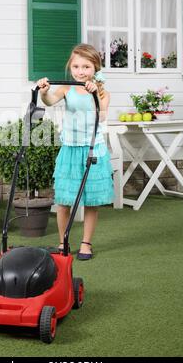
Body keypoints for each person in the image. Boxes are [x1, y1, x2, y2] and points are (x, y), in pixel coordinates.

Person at [37, 43, 114, 260]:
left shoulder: (102, 93)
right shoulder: (66, 89)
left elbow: (102, 115)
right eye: (76, 67)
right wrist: (44, 92)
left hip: (92, 149)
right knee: (63, 201)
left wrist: (94, 94)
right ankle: (63, 242)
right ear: (70, 68)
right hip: (70, 150)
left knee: (91, 201)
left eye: (86, 67)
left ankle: (86, 244)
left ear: (95, 68)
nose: (81, 71)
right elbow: (50, 101)